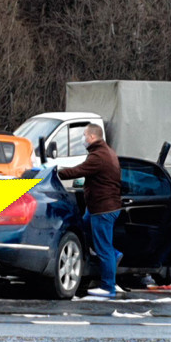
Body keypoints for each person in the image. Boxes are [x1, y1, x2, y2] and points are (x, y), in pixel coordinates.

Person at [57, 124, 122, 298]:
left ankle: (108, 287)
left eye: (85, 135)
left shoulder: (99, 156)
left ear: (92, 137)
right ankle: (114, 256)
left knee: (103, 248)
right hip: (99, 208)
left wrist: (56, 173)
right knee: (85, 231)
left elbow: (78, 171)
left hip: (103, 209)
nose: (83, 138)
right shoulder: (106, 152)